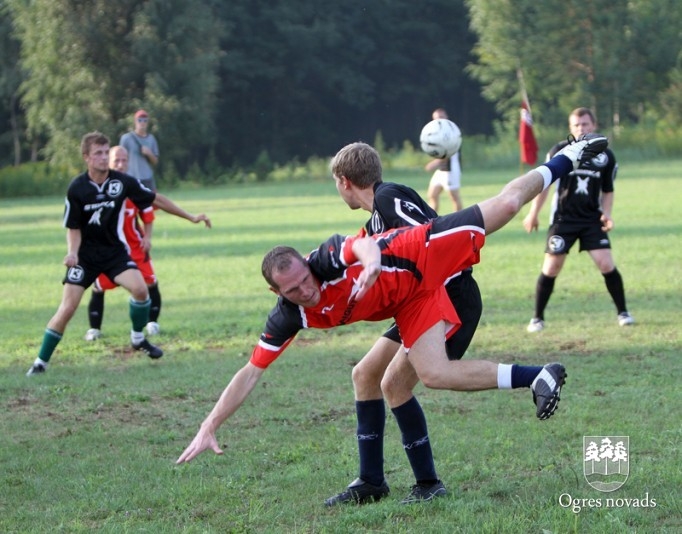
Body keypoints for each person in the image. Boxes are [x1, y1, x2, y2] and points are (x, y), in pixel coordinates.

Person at [176, 135, 609, 502]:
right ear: (277, 294)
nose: (306, 290)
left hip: (424, 255)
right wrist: (210, 423)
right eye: (293, 291)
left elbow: (358, 247)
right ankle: (375, 482)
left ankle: (569, 157)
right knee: (369, 377)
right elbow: (251, 372)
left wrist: (370, 262)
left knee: (506, 205)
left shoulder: (329, 255)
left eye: (306, 280)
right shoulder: (288, 317)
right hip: (410, 299)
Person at [324, 142, 482, 505]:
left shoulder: (387, 197)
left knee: (395, 384)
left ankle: (428, 484)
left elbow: (429, 236)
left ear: (345, 181)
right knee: (365, 375)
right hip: (420, 303)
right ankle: (371, 482)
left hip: (449, 298)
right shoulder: (374, 222)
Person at [25, 132, 199, 376]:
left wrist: (190, 216)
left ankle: (138, 339)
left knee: (141, 289)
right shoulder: (77, 188)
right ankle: (40, 362)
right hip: (84, 257)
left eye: (106, 152)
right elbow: (73, 227)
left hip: (114, 253)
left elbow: (155, 199)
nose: (104, 157)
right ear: (86, 157)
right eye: (98, 153)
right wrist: (72, 253)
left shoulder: (122, 182)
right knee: (67, 308)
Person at [523, 108, 634, 332]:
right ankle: (537, 317)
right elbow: (544, 184)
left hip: (592, 220)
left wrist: (607, 213)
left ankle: (623, 312)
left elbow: (608, 190)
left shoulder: (606, 156)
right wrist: (533, 213)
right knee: (552, 267)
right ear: (570, 128)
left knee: (605, 263)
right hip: (563, 220)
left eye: (585, 124)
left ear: (593, 126)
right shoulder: (560, 151)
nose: (581, 128)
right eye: (576, 125)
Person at [84, 146, 212, 341]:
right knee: (98, 286)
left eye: (124, 160)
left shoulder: (131, 186)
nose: (120, 164)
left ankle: (150, 324)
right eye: (116, 160)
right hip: (106, 251)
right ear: (107, 162)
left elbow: (157, 202)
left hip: (134, 249)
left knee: (149, 283)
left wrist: (191, 217)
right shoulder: (91, 187)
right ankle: (94, 329)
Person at [425, 108, 463, 213]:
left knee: (454, 197)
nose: (438, 120)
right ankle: (431, 221)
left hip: (450, 169)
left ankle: (459, 222)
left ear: (446, 118)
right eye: (436, 118)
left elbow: (448, 153)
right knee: (432, 194)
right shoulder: (436, 132)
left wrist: (435, 163)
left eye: (441, 117)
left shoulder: (450, 132)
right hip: (441, 170)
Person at [120, 109, 159, 191]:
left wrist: (149, 153)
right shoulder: (126, 138)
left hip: (147, 177)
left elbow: (155, 161)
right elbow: (120, 157)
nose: (142, 122)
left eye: (145, 120)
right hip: (131, 176)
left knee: (150, 201)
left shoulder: (151, 139)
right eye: (140, 120)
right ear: (135, 121)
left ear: (148, 123)